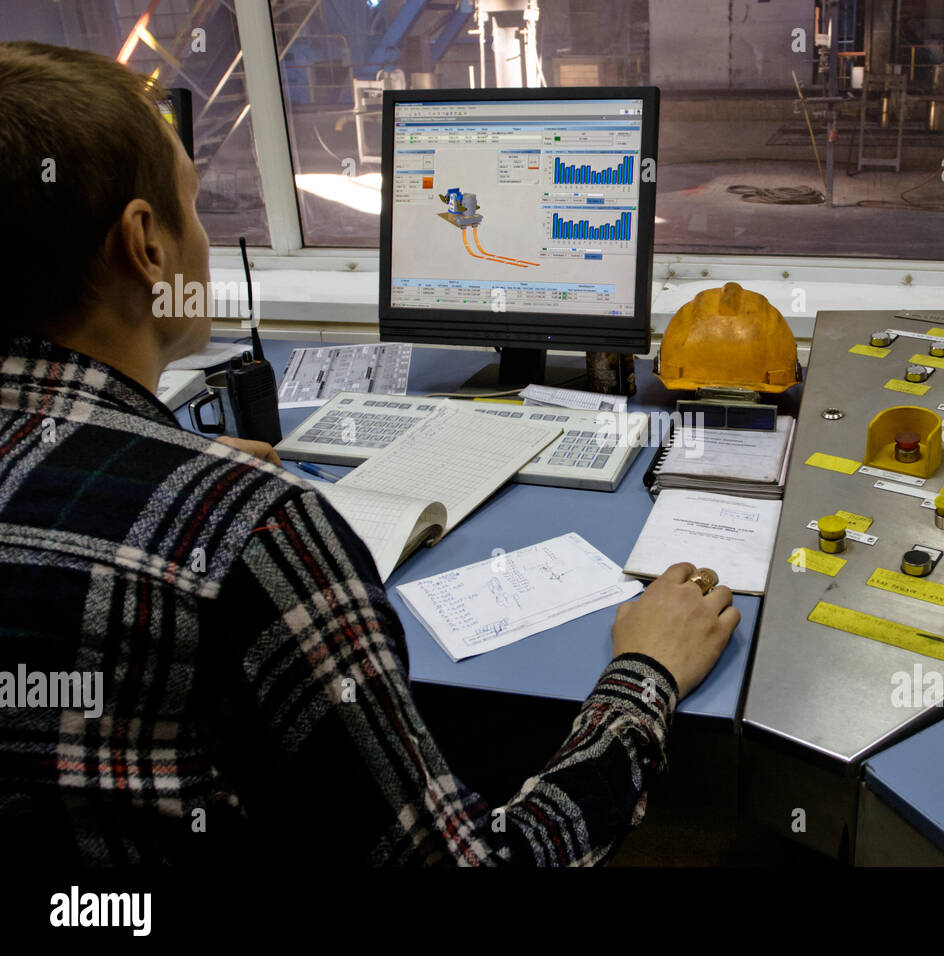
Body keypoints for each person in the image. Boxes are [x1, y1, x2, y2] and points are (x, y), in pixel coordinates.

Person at [0, 41, 738, 865]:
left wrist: (171, 461)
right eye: (195, 205)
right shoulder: (257, 531)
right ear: (147, 245)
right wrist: (644, 673)